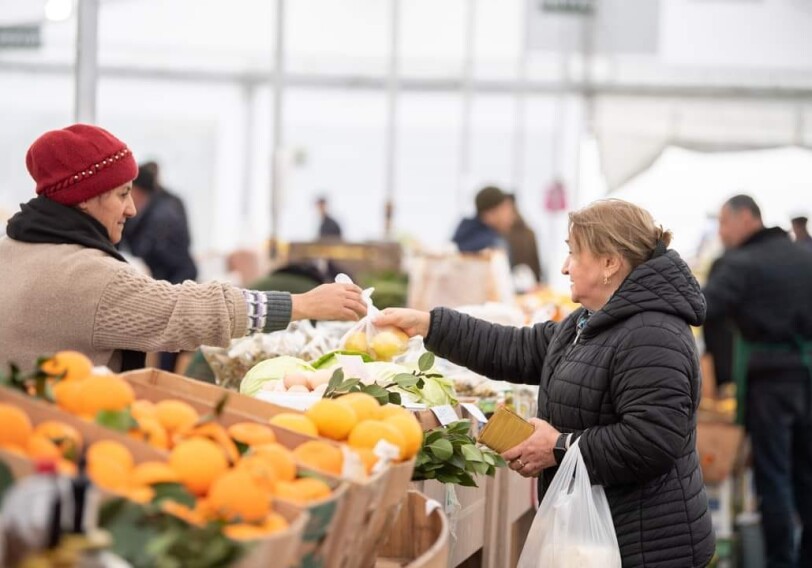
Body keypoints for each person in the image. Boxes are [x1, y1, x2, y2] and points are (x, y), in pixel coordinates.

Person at [378, 198, 714, 567]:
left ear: (609, 263)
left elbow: (652, 440)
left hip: (646, 547)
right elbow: (516, 348)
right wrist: (429, 325)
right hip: (600, 539)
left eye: (574, 254)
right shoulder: (588, 322)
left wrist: (558, 446)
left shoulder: (654, 333)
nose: (565, 267)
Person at [0, 124, 366, 373]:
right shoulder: (88, 276)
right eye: (122, 194)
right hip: (52, 451)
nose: (130, 208)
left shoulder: (12, 246)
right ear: (83, 200)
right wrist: (301, 304)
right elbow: (186, 312)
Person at [703, 195, 812, 568]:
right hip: (807, 375)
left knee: (774, 476)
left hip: (770, 382)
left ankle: (781, 561)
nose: (721, 232)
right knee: (806, 474)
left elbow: (702, 307)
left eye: (723, 222)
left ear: (746, 218)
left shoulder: (740, 264)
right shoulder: (805, 255)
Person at [451, 186, 515, 253]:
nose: (511, 216)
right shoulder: (492, 244)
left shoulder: (465, 232)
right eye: (505, 209)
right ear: (490, 214)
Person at [505, 193, 542, 283]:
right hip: (529, 284)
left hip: (515, 285)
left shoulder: (502, 235)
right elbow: (536, 266)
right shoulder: (529, 232)